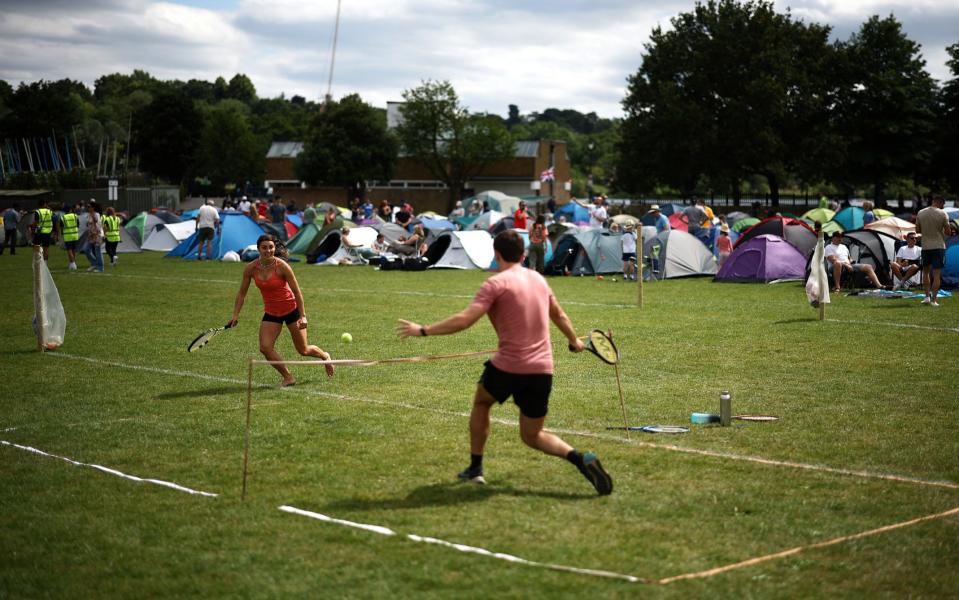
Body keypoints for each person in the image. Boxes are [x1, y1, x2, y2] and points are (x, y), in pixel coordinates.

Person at [395, 230, 613, 495]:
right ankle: (580, 459)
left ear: (496, 254)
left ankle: (476, 468)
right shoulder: (538, 280)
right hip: (542, 370)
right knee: (532, 435)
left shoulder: (495, 284)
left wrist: (424, 330)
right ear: (523, 254)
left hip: (509, 366)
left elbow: (465, 320)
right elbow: (559, 315)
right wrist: (574, 340)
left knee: (482, 401)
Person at [230, 234, 334, 386]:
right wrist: (235, 315)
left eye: (271, 247)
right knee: (265, 348)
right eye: (264, 247)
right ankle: (288, 377)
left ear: (274, 248)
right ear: (258, 249)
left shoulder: (282, 266)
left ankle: (325, 356)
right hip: (272, 312)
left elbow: (297, 292)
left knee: (303, 350)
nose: (268, 250)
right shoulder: (251, 268)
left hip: (291, 310)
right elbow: (241, 293)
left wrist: (303, 316)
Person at [915, 195, 950, 306]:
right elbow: (948, 232)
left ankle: (927, 297)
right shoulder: (943, 213)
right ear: (939, 203)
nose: (943, 207)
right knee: (936, 274)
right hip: (939, 246)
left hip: (925, 246)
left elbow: (917, 230)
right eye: (942, 205)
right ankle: (934, 300)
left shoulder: (920, 212)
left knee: (925, 273)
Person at [83, 202, 104, 273]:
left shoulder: (96, 215)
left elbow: (98, 225)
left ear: (93, 208)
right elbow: (88, 225)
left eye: (89, 206)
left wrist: (96, 233)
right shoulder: (88, 215)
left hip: (97, 235)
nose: (88, 208)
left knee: (97, 251)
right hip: (91, 236)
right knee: (86, 249)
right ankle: (94, 263)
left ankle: (100, 268)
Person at [59, 203, 81, 270]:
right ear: (70, 210)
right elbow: (78, 225)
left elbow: (61, 227)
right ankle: (72, 263)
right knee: (74, 250)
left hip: (67, 236)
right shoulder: (75, 216)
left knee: (69, 250)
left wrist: (61, 234)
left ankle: (73, 263)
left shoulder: (63, 217)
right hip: (75, 235)